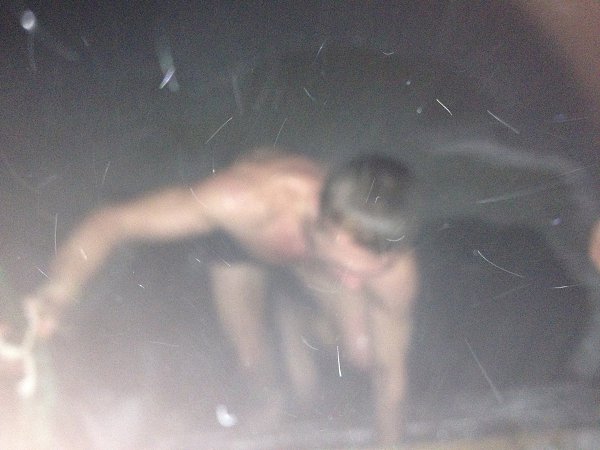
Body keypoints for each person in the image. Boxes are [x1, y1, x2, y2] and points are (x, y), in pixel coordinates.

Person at [17, 148, 421, 444]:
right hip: (241, 244)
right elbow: (113, 221)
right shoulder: (243, 199)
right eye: (350, 269)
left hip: (313, 263)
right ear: (328, 227)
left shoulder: (390, 269)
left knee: (363, 351)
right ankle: (268, 401)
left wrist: (389, 446)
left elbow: (391, 374)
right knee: (252, 357)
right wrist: (57, 295)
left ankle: (295, 315)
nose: (356, 285)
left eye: (367, 274)